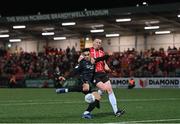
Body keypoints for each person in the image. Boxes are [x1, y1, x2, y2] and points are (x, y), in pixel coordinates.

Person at [56, 48, 109, 119]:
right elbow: (74, 71)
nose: (87, 56)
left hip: (90, 82)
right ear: (83, 56)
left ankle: (86, 112)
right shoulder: (82, 63)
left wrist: (106, 56)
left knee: (97, 97)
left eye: (88, 54)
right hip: (83, 80)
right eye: (85, 55)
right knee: (87, 89)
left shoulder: (93, 60)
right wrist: (64, 77)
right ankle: (65, 90)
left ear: (90, 54)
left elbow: (104, 57)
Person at [81, 38, 125, 117]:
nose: (98, 44)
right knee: (105, 89)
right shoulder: (88, 51)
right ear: (93, 43)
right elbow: (80, 60)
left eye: (100, 43)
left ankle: (116, 111)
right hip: (94, 74)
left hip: (103, 74)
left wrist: (107, 67)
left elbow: (104, 63)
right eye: (97, 42)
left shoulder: (101, 52)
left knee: (110, 90)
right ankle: (93, 99)